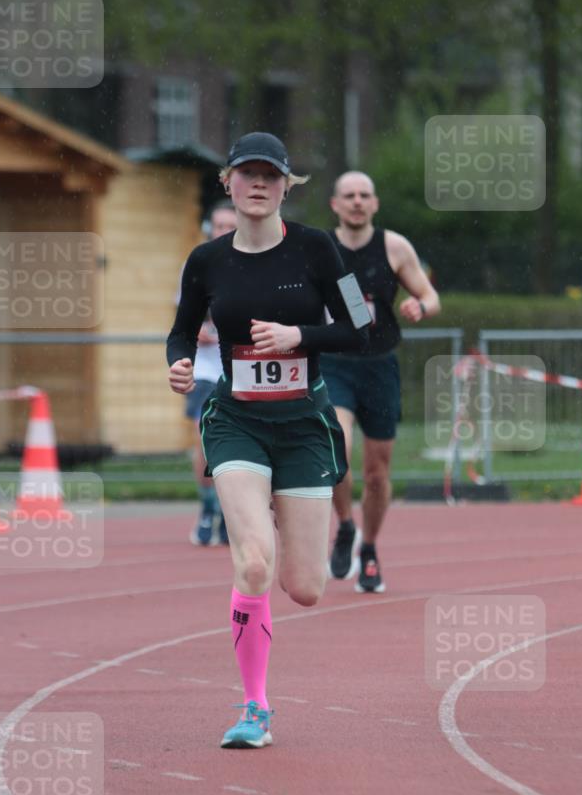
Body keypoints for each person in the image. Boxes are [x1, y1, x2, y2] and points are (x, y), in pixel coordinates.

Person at [167, 132, 366, 748]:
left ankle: (298, 516)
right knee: (253, 561)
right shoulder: (206, 260)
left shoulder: (319, 249)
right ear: (227, 181)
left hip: (304, 424)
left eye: (271, 175)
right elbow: (180, 333)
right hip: (237, 420)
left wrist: (300, 336)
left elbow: (364, 326)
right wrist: (176, 363)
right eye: (247, 174)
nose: (259, 184)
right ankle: (255, 708)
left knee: (304, 587)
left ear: (287, 186)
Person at [321, 171, 441, 593]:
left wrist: (419, 307)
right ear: (335, 204)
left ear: (375, 203)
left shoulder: (394, 246)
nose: (357, 201)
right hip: (333, 363)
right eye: (348, 195)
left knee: (376, 472)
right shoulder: (320, 248)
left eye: (364, 195)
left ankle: (369, 548)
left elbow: (431, 297)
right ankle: (345, 526)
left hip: (378, 365)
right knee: (337, 451)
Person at [178, 202, 238, 546]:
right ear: (209, 229)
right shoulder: (197, 263)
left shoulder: (253, 263)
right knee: (205, 437)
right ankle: (207, 508)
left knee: (234, 444)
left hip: (240, 366)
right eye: (218, 225)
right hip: (204, 367)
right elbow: (182, 315)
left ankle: (231, 512)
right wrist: (197, 330)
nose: (223, 231)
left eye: (229, 225)